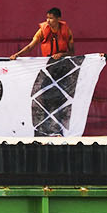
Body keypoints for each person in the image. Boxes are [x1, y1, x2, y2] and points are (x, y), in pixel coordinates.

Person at [15, 8, 80, 137]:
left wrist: (62, 54)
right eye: (47, 18)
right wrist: (17, 55)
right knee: (43, 96)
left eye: (51, 18)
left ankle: (59, 129)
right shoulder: (42, 31)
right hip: (48, 68)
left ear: (58, 19)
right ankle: (44, 128)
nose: (48, 21)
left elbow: (72, 52)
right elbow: (30, 46)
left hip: (62, 68)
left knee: (60, 98)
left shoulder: (66, 31)